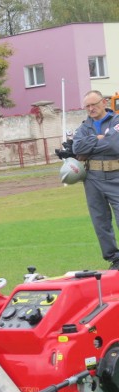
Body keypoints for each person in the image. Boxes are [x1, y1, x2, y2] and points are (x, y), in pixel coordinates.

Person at [72, 90, 119, 269]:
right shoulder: (85, 126)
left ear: (104, 102)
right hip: (93, 178)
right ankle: (115, 258)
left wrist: (90, 145)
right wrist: (98, 138)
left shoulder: (116, 121)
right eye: (87, 106)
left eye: (94, 104)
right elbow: (77, 147)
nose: (91, 109)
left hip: (116, 175)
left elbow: (115, 145)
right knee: (100, 220)